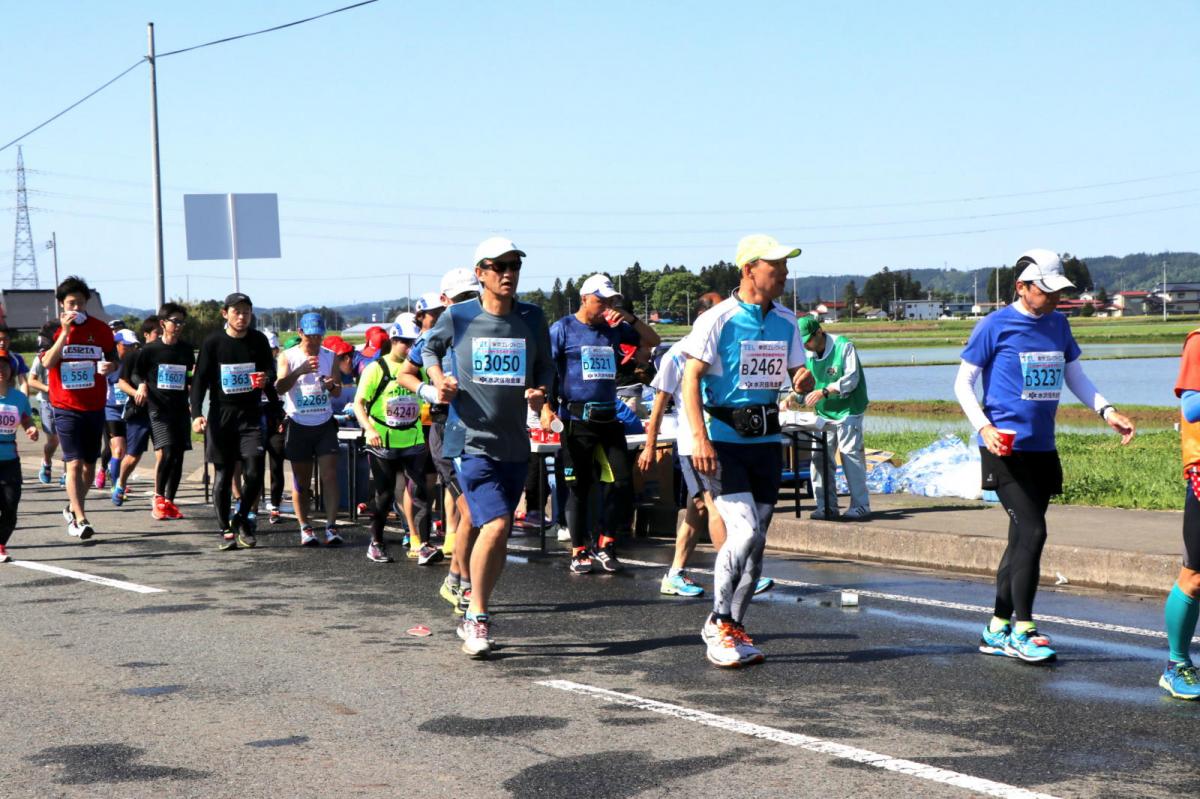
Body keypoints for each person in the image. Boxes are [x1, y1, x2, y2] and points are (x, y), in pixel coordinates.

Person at [955, 249, 1135, 663]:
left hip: (1042, 448)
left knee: (1021, 539)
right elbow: (963, 383)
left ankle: (996, 627)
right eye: (1046, 290)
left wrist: (1107, 411)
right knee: (1034, 532)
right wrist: (983, 427)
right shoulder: (994, 325)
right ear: (1022, 287)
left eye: (1058, 291)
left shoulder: (1058, 324)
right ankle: (1023, 628)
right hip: (1004, 449)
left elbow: (1075, 375)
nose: (1055, 298)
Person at [422, 237, 554, 658]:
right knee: (495, 524)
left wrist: (541, 394)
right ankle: (476, 614)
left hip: (514, 441)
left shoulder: (532, 317)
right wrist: (437, 380)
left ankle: (472, 600)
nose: (508, 273)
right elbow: (428, 350)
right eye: (499, 266)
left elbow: (545, 367)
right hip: (469, 441)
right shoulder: (458, 316)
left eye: (514, 266)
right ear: (480, 272)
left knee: (500, 531)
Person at [682, 235, 808, 668]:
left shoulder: (787, 320)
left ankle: (734, 625)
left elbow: (797, 371)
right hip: (723, 442)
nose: (784, 275)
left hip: (767, 442)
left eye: (786, 267)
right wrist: (699, 438)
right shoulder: (718, 319)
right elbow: (690, 378)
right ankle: (719, 623)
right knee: (744, 533)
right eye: (777, 267)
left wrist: (803, 379)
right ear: (749, 269)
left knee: (757, 545)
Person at [550, 273, 660, 574]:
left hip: (609, 417)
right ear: (584, 299)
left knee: (621, 482)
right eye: (601, 301)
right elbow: (545, 369)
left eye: (611, 302)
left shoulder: (614, 329)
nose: (606, 307)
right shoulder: (563, 328)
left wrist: (629, 318)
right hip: (576, 419)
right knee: (579, 487)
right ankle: (579, 549)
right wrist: (546, 408)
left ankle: (606, 543)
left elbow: (653, 341)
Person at [400, 268, 481, 615]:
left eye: (473, 297)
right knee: (471, 510)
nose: (468, 304)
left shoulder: (486, 328)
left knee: (477, 513)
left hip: (482, 427)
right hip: (448, 426)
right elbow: (405, 373)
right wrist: (431, 391)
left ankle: (455, 579)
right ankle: (462, 583)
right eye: (461, 299)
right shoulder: (434, 336)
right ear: (446, 300)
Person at [641, 292, 723, 596]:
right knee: (714, 504)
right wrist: (650, 445)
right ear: (703, 318)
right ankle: (738, 574)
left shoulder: (723, 349)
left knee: (697, 508)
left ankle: (674, 573)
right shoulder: (678, 354)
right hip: (693, 443)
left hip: (721, 439)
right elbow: (659, 402)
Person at [191, 292, 277, 550]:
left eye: (246, 312)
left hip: (251, 415)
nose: (242, 317)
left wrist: (265, 378)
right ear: (225, 314)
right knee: (223, 473)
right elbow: (199, 381)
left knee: (254, 474)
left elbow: (270, 371)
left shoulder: (258, 340)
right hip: (222, 416)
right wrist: (196, 414)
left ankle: (241, 518)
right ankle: (225, 529)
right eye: (237, 312)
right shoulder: (213, 342)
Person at [353, 314, 441, 565]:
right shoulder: (376, 369)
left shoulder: (418, 369)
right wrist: (369, 429)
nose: (410, 348)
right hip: (383, 443)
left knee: (420, 492)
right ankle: (376, 542)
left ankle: (423, 544)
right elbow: (359, 403)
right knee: (384, 495)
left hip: (412, 440)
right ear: (393, 340)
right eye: (406, 342)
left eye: (414, 343)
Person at [41, 276, 118, 540]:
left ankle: (73, 508)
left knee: (88, 466)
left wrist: (111, 366)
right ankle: (80, 518)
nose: (76, 308)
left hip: (94, 405)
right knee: (72, 462)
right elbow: (47, 362)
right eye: (71, 303)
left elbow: (114, 359)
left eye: (81, 303)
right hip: (65, 405)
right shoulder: (50, 328)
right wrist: (64, 333)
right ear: (62, 304)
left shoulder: (101, 329)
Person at [276, 312, 344, 547]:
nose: (315, 341)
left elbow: (337, 391)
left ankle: (331, 526)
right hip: (298, 423)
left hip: (324, 423)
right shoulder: (288, 356)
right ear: (300, 333)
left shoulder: (330, 356)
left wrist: (331, 385)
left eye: (319, 336)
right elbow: (279, 387)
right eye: (310, 336)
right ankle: (305, 526)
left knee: (330, 476)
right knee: (301, 481)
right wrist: (300, 371)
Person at [795, 315, 871, 521]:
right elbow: (804, 386)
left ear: (819, 332)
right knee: (819, 458)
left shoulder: (843, 346)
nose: (807, 345)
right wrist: (794, 395)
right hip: (824, 413)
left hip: (848, 410)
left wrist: (825, 391)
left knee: (850, 455)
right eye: (803, 342)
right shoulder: (807, 354)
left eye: (809, 340)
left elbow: (852, 379)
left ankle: (861, 505)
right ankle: (826, 506)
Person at [126, 304, 194, 520]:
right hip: (158, 409)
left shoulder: (186, 350)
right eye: (175, 321)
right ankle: (158, 498)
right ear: (163, 323)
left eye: (182, 322)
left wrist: (193, 391)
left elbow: (189, 376)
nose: (179, 326)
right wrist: (142, 385)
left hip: (180, 408)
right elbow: (136, 373)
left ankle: (170, 502)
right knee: (167, 452)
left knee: (178, 456)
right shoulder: (150, 350)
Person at [111, 320, 156, 506]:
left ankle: (160, 496)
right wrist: (136, 392)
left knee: (164, 454)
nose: (160, 336)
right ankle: (120, 483)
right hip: (137, 412)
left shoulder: (169, 356)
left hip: (162, 412)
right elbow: (122, 383)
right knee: (132, 455)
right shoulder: (134, 357)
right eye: (157, 332)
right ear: (146, 335)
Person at [0, 349, 38, 563]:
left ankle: (0, 543)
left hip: (10, 460)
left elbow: (26, 419)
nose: (0, 369)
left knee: (10, 506)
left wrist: (31, 428)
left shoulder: (19, 398)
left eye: (4, 365)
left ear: (11, 370)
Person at [27, 322, 61, 485]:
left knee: (67, 440)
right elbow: (31, 380)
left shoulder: (69, 354)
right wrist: (49, 389)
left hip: (67, 404)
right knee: (53, 441)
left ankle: (68, 473)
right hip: (48, 402)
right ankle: (46, 462)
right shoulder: (41, 357)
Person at [0, 326, 30, 394]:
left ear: (9, 340)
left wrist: (24, 398)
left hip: (9, 397)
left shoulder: (17, 358)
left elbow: (23, 383)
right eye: (0, 339)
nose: (2, 343)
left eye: (5, 339)